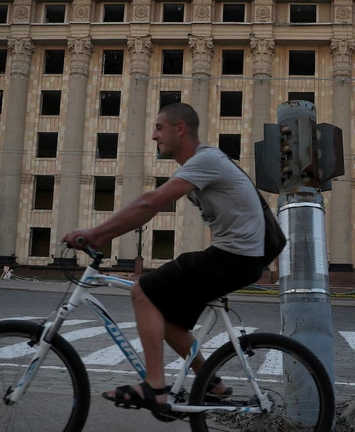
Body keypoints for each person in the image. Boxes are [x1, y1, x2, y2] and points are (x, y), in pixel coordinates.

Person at [60, 103, 265, 414]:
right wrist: (102, 235)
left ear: (179, 128)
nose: (154, 136)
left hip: (234, 256)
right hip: (238, 257)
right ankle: (211, 383)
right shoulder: (199, 164)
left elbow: (150, 202)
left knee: (142, 290)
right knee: (166, 318)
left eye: (158, 128)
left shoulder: (205, 160)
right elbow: (149, 206)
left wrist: (96, 234)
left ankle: (155, 387)